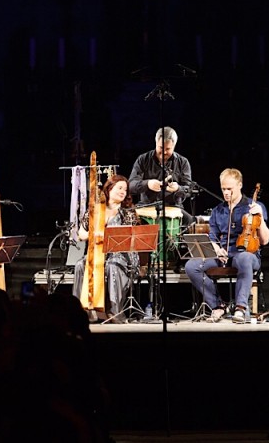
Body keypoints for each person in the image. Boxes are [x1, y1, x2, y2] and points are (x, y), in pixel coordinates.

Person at [184, 168, 269, 323]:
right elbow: (213, 237)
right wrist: (217, 249)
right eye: (223, 189)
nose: (226, 193)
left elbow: (265, 240)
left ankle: (240, 308)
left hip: (246, 255)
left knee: (243, 258)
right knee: (192, 266)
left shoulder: (254, 206)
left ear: (239, 185)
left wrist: (260, 218)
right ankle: (217, 306)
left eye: (229, 189)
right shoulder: (218, 210)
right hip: (223, 255)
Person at [73, 174, 141, 323]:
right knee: (80, 265)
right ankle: (83, 310)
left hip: (123, 256)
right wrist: (95, 233)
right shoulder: (95, 210)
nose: (123, 192)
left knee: (112, 266)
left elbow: (133, 238)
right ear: (109, 189)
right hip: (99, 254)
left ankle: (115, 312)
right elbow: (81, 234)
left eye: (125, 189)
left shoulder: (128, 212)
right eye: (119, 188)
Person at [128, 126, 194, 226]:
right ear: (156, 143)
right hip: (146, 206)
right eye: (161, 148)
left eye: (168, 149)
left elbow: (189, 189)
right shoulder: (143, 159)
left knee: (191, 221)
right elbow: (131, 186)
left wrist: (178, 188)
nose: (164, 152)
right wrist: (148, 184)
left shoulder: (183, 162)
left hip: (174, 207)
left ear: (174, 146)